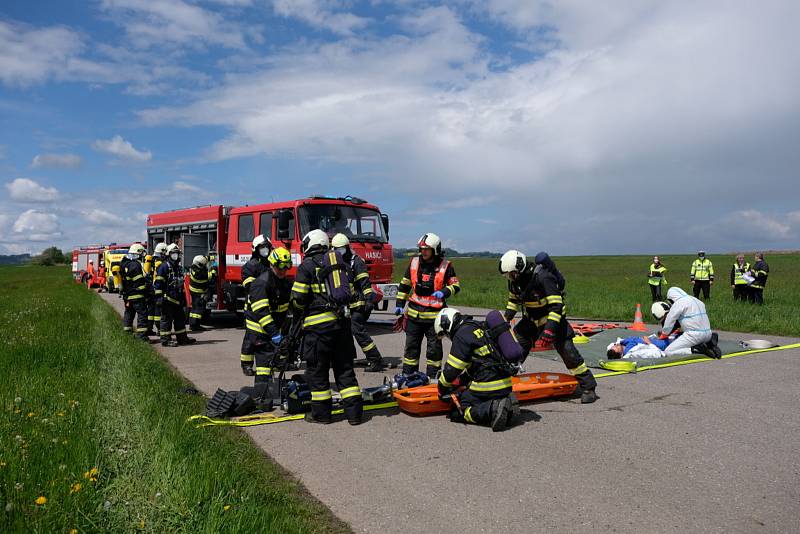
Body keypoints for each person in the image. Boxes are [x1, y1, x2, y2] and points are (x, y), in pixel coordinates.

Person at [499, 250, 598, 403]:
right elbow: (513, 302)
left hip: (554, 321)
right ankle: (502, 384)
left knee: (569, 354)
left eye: (511, 274)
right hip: (530, 320)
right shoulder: (515, 282)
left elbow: (557, 306)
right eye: (507, 275)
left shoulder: (543, 277)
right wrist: (506, 319)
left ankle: (588, 387)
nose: (509, 277)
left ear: (520, 268)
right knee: (514, 350)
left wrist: (549, 331)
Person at [291, 229, 363, 425]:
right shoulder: (338, 264)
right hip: (342, 325)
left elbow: (297, 298)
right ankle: (355, 415)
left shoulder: (306, 266)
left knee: (318, 372)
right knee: (345, 370)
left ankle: (322, 415)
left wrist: (298, 312)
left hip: (318, 331)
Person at [434, 308, 519, 431]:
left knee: (457, 410)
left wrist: (442, 388)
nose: (448, 336)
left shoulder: (461, 335)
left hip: (488, 386)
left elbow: (452, 369)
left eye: (446, 334)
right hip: (506, 384)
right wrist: (461, 381)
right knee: (469, 393)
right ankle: (506, 405)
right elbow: (479, 363)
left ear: (447, 324)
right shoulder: (479, 326)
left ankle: (493, 409)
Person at [395, 233, 461, 378]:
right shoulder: (414, 263)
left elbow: (456, 286)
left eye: (427, 249)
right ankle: (408, 377)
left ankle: (432, 378)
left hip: (434, 319)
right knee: (411, 350)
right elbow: (404, 285)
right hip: (414, 316)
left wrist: (444, 291)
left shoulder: (445, 265)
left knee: (434, 352)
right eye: (421, 248)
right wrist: (399, 304)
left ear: (435, 250)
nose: (423, 251)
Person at [332, 233, 388, 372]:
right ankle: (347, 358)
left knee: (358, 331)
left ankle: (375, 360)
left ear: (346, 247)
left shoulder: (356, 261)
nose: (339, 252)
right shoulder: (337, 262)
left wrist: (369, 301)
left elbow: (365, 284)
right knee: (344, 332)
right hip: (344, 305)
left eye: (341, 249)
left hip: (357, 305)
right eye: (335, 249)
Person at [245, 247, 292, 396]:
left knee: (276, 359)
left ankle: (272, 391)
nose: (283, 270)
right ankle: (261, 395)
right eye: (280, 267)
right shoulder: (261, 283)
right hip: (260, 330)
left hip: (274, 328)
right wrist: (274, 334)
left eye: (287, 267)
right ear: (272, 264)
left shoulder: (284, 282)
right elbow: (262, 313)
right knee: (264, 363)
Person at [651, 287, 719, 358]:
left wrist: (664, 334)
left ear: (671, 298)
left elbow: (669, 322)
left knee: (668, 351)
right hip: (708, 334)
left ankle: (695, 349)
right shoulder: (698, 301)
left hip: (694, 336)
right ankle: (711, 343)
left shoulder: (678, 303)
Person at [240, 234, 273, 375]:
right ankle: (246, 364)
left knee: (267, 337)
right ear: (256, 249)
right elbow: (251, 287)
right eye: (262, 247)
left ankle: (269, 361)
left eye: (267, 247)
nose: (265, 250)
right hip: (252, 308)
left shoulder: (271, 265)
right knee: (250, 338)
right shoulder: (249, 267)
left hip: (268, 306)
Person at [155, 244, 195, 347]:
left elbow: (181, 285)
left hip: (177, 299)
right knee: (166, 320)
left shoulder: (178, 267)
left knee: (180, 319)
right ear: (169, 254)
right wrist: (159, 298)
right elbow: (158, 283)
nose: (176, 255)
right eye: (173, 253)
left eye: (177, 253)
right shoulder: (164, 267)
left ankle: (182, 339)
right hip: (167, 299)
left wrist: (183, 299)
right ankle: (165, 340)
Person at [120, 243, 151, 340]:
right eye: (141, 253)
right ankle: (141, 336)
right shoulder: (135, 265)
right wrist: (147, 285)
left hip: (127, 295)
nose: (142, 256)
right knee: (142, 314)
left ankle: (127, 333)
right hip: (137, 295)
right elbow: (138, 283)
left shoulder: (124, 263)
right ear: (138, 253)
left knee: (129, 313)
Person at [188, 255, 211, 331]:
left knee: (194, 308)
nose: (205, 265)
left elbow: (204, 259)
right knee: (198, 309)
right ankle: (195, 326)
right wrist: (214, 270)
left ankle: (192, 324)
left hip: (194, 291)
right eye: (203, 265)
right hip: (198, 292)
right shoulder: (198, 273)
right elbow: (209, 276)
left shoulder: (195, 265)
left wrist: (213, 258)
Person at [606, 334, 672, 360]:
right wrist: (648, 342)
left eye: (615, 345)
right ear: (620, 355)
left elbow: (611, 346)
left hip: (660, 338)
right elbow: (657, 353)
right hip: (664, 344)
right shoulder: (632, 353)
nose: (616, 345)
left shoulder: (622, 342)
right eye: (617, 348)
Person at [150, 243, 168, 327]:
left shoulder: (153, 260)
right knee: (158, 309)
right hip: (157, 287)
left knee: (154, 308)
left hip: (153, 287)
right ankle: (159, 327)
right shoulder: (159, 262)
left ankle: (152, 327)